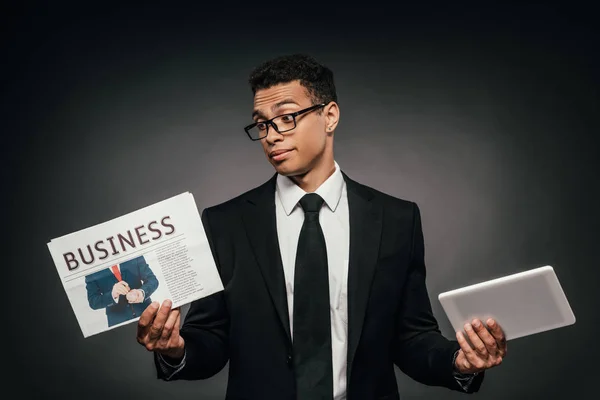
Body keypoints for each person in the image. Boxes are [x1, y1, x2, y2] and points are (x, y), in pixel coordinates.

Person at [135, 54, 508, 399]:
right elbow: (210, 340)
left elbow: (411, 337)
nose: (272, 135)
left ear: (329, 116)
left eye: (287, 117)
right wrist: (176, 348)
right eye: (261, 124)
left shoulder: (396, 219)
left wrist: (459, 362)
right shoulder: (224, 224)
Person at [86, 254, 159, 327]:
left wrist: (141, 292)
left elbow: (152, 280)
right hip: (118, 322)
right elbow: (93, 301)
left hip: (146, 312)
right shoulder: (91, 270)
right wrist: (112, 295)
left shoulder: (133, 254)